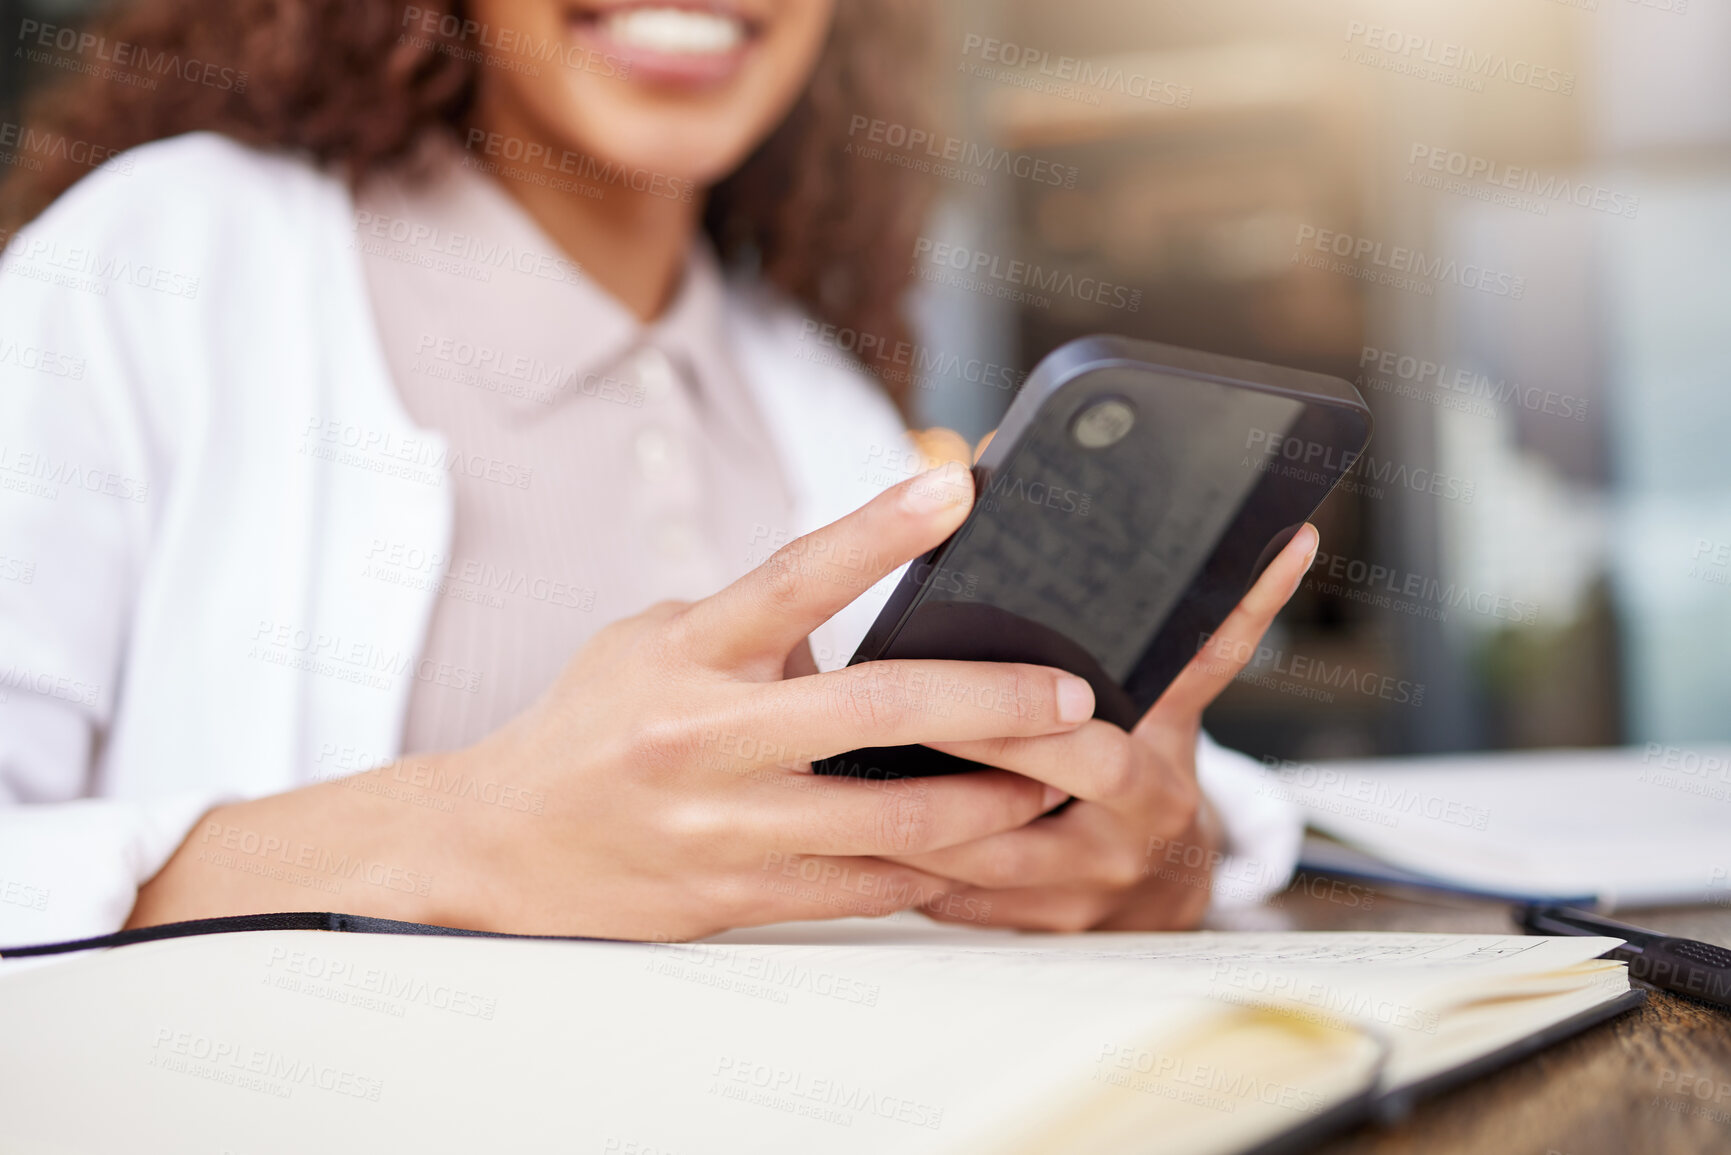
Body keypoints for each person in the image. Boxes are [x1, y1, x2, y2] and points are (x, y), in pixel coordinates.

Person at [0, 0, 1310, 949]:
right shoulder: (165, 258)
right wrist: (462, 831)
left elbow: (1048, 812)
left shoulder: (804, 385)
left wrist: (1154, 854)